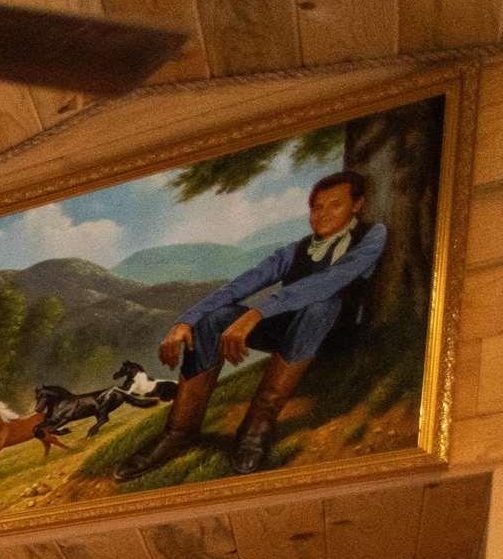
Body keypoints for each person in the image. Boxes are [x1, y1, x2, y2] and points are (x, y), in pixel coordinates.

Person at [118, 170, 386, 479]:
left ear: (357, 205)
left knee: (322, 304)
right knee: (214, 319)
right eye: (316, 207)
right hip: (287, 332)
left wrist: (257, 313)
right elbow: (241, 285)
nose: (322, 215)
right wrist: (186, 320)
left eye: (335, 205)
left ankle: (258, 424)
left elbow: (329, 282)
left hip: (333, 335)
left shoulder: (372, 235)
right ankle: (180, 430)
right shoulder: (297, 249)